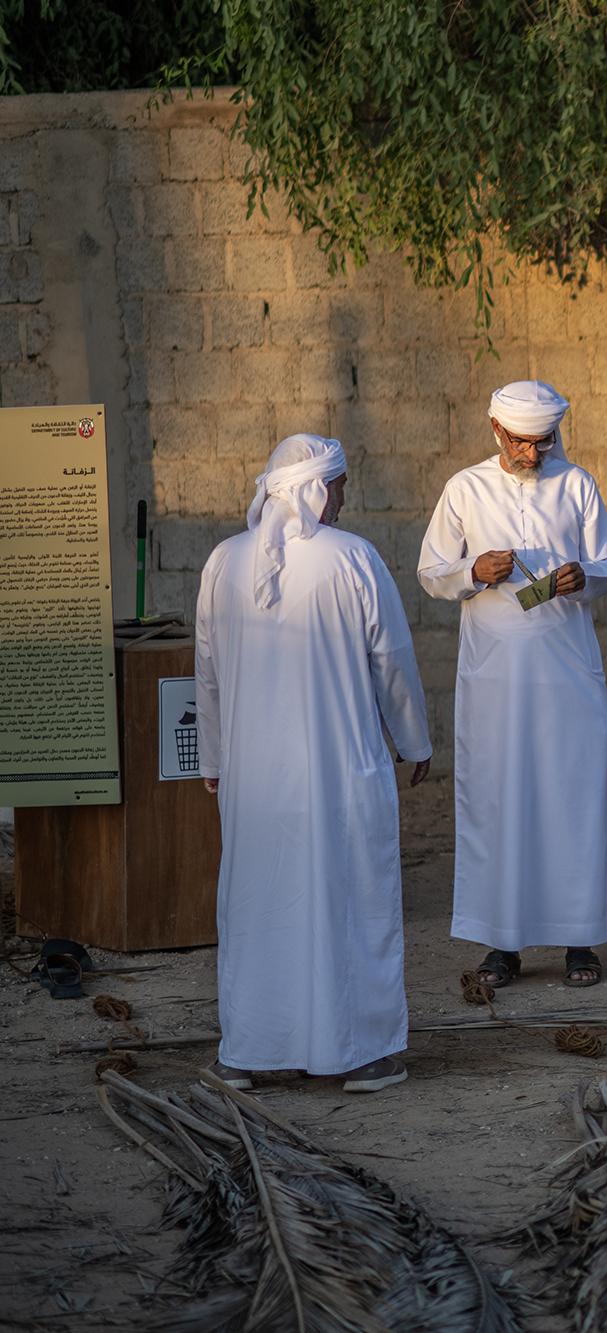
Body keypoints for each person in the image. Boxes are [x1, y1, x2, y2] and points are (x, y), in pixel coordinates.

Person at [194, 433, 431, 1093]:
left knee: (258, 907)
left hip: (253, 781)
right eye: (342, 484)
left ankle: (247, 1052)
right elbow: (393, 660)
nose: (347, 496)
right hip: (337, 774)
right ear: (317, 489)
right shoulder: (353, 558)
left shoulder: (223, 562)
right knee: (346, 904)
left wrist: (214, 758)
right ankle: (359, 1055)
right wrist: (413, 739)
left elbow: (205, 676)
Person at [418, 380, 607, 990]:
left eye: (544, 442)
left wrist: (582, 575)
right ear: (496, 429)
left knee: (572, 799)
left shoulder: (578, 484)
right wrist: (472, 571)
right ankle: (501, 946)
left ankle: (579, 939)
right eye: (522, 443)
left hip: (567, 674)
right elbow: (432, 572)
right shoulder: (465, 488)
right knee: (497, 801)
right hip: (495, 682)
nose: (533, 455)